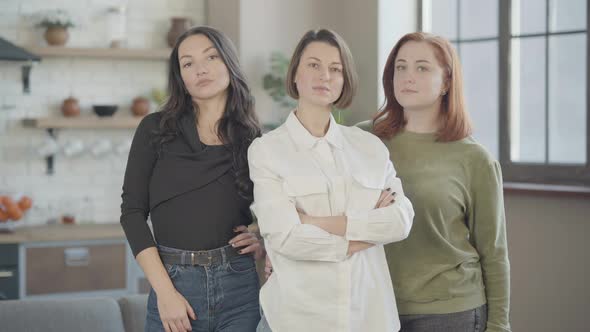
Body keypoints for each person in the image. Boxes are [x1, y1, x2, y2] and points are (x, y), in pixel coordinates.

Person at [249, 28, 414, 332]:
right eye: (313, 65)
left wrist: (313, 222)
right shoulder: (267, 151)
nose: (325, 75)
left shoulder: (370, 148)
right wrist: (368, 236)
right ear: (295, 74)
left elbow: (400, 221)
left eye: (335, 69)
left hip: (368, 316)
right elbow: (286, 239)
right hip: (296, 319)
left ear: (344, 79)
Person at [358, 32, 511, 332]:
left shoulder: (476, 159)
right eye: (400, 67)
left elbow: (494, 253)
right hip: (373, 304)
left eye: (422, 67)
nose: (407, 77)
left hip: (450, 312)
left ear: (446, 82)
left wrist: (499, 325)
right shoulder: (362, 139)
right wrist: (263, 231)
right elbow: (309, 181)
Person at [120, 26, 264, 332]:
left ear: (228, 63)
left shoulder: (252, 138)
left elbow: (273, 205)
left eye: (211, 57)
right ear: (181, 78)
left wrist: (261, 237)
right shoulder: (154, 129)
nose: (200, 69)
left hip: (239, 285)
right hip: (174, 283)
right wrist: (166, 293)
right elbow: (131, 213)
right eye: (188, 63)